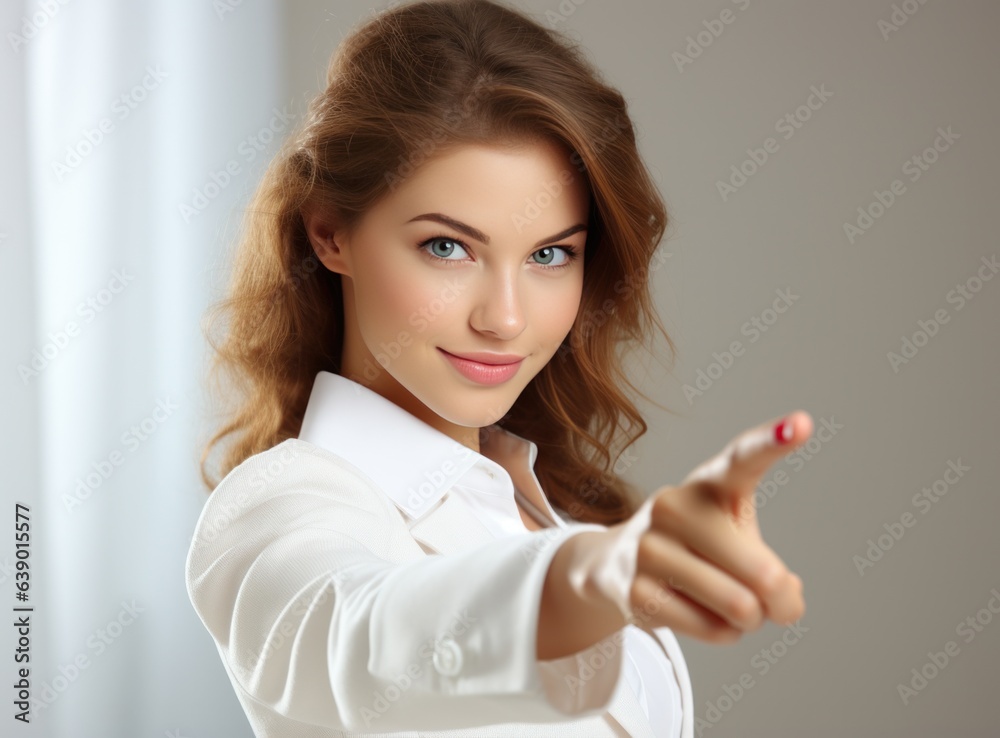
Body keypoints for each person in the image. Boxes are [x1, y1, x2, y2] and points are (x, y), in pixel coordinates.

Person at [185, 1, 808, 736]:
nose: (506, 319)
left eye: (550, 255)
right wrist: (587, 576)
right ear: (330, 233)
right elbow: (365, 644)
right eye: (448, 247)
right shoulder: (280, 505)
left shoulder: (541, 504)